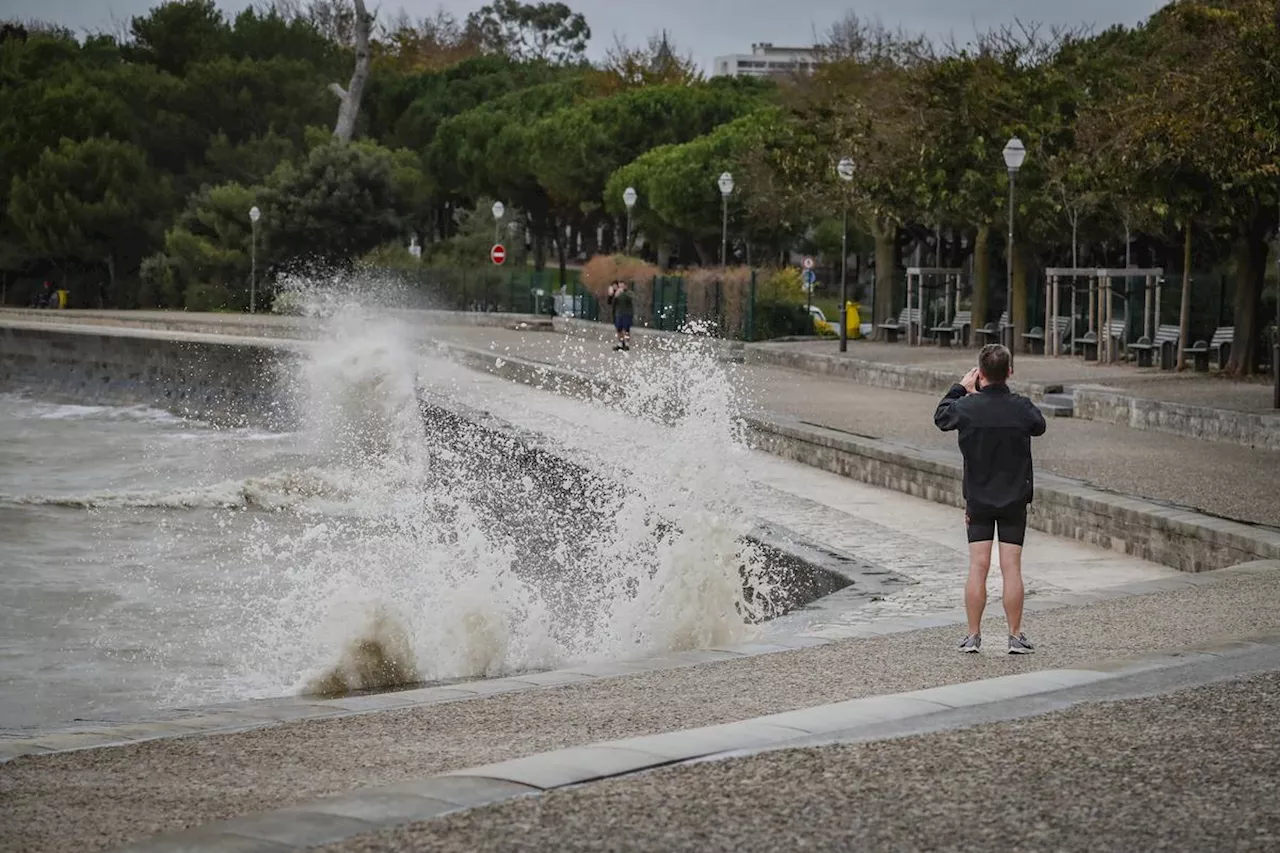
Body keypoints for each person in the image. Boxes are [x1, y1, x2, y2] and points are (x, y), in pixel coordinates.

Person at [934, 343, 1046, 655]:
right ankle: (1014, 635)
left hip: (978, 499)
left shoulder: (967, 407)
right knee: (1012, 567)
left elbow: (941, 417)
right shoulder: (1021, 407)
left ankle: (973, 635)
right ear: (1009, 372)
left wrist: (961, 387)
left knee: (978, 566)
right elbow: (1040, 426)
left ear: (980, 374)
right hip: (1013, 499)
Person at [607, 280, 633, 351]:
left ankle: (627, 344)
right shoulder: (617, 294)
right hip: (618, 314)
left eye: (622, 285)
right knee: (619, 329)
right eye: (620, 285)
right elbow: (611, 302)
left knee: (626, 329)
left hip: (627, 314)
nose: (621, 287)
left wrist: (622, 293)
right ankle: (620, 343)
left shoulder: (628, 293)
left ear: (625, 286)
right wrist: (612, 295)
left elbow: (630, 298)